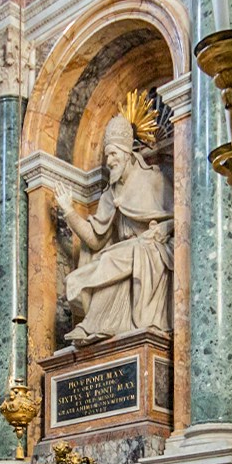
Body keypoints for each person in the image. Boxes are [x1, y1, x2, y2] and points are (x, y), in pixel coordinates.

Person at [53, 115, 173, 345]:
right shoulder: (110, 195)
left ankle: (91, 325)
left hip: (154, 252)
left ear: (127, 153)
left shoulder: (154, 180)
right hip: (128, 254)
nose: (109, 160)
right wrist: (68, 211)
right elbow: (95, 240)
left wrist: (165, 228)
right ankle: (96, 324)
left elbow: (183, 217)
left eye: (113, 153)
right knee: (100, 262)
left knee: (111, 258)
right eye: (107, 154)